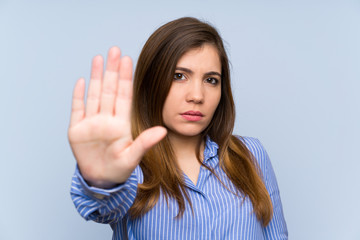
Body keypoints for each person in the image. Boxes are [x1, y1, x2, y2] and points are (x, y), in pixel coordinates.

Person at [69, 17, 288, 239]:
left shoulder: (251, 154)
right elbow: (102, 208)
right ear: (152, 83)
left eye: (211, 80)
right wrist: (101, 182)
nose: (197, 96)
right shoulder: (129, 165)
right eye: (179, 76)